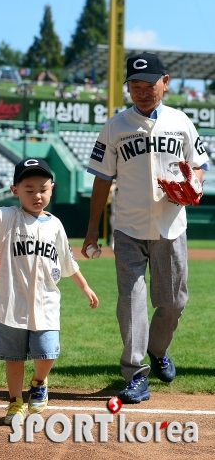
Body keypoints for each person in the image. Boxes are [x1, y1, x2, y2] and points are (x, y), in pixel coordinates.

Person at [82, 52, 210, 404]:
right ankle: (135, 373)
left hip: (171, 226)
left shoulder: (181, 121)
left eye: (148, 85)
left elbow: (199, 165)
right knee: (132, 300)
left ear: (164, 82)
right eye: (134, 86)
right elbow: (101, 180)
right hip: (127, 227)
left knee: (172, 303)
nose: (141, 91)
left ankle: (157, 349)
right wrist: (93, 229)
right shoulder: (115, 126)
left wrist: (194, 183)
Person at [0, 158, 99, 425]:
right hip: (11, 303)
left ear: (52, 189)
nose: (37, 195)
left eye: (43, 189)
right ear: (15, 191)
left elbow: (67, 261)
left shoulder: (56, 225)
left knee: (47, 352)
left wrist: (85, 287)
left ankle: (39, 381)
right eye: (29, 189)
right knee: (13, 358)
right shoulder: (10, 217)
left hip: (46, 302)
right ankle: (14, 402)